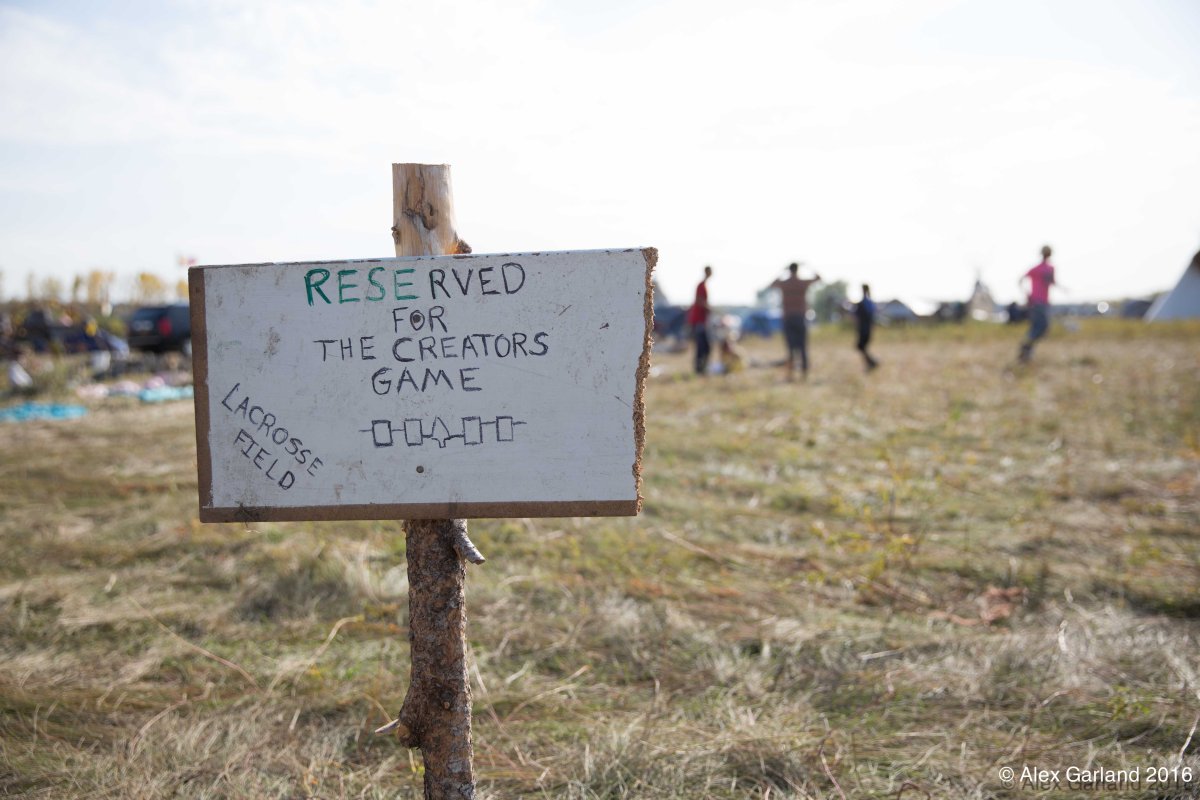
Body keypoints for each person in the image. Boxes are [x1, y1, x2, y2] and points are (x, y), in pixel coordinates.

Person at [769, 262, 821, 381]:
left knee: (790, 348)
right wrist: (808, 266)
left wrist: (782, 271)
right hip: (800, 317)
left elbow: (771, 285)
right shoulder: (802, 283)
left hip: (788, 318)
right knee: (803, 347)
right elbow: (819, 278)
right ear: (797, 270)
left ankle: (790, 374)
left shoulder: (785, 284)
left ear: (789, 270)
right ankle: (804, 374)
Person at [1018, 245, 1057, 363]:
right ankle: (1026, 349)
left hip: (1043, 302)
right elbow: (1021, 280)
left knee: (1039, 327)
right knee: (1041, 327)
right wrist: (1027, 294)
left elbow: (1052, 282)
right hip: (1037, 302)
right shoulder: (1037, 269)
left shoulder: (1049, 268)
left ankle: (1026, 350)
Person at [687, 266, 713, 374]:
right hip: (698, 321)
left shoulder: (703, 285)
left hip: (701, 321)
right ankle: (699, 369)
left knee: (705, 346)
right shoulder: (701, 285)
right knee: (702, 346)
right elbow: (699, 300)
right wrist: (708, 308)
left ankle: (702, 368)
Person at [854, 284, 879, 372]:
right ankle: (871, 363)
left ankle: (872, 362)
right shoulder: (869, 303)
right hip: (866, 328)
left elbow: (857, 315)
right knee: (861, 347)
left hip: (864, 329)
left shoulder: (863, 303)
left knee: (861, 347)